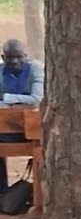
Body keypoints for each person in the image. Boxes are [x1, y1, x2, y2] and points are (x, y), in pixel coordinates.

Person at [0, 39, 42, 190]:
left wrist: (7, 99)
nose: (15, 61)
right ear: (3, 57)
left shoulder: (35, 69)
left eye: (19, 57)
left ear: (26, 55)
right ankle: (3, 194)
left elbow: (37, 98)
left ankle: (38, 195)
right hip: (8, 129)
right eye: (10, 57)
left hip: (34, 130)